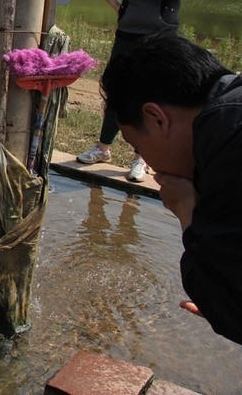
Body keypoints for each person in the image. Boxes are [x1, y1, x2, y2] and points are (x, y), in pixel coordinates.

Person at [101, 34, 242, 346]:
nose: (149, 164)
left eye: (137, 145)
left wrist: (187, 211)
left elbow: (234, 309)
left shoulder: (227, 133)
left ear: (157, 118)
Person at [77, 0, 188, 183]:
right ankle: (103, 148)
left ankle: (141, 158)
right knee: (117, 92)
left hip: (159, 41)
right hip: (127, 38)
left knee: (150, 100)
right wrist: (118, 8)